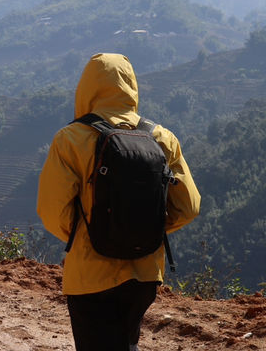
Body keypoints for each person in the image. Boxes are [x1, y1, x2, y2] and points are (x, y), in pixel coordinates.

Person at [37, 53, 201, 351]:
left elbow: (52, 211)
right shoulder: (162, 138)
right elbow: (188, 207)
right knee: (126, 342)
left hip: (90, 273)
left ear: (87, 87)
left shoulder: (71, 139)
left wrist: (87, 236)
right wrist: (144, 230)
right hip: (145, 272)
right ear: (131, 86)